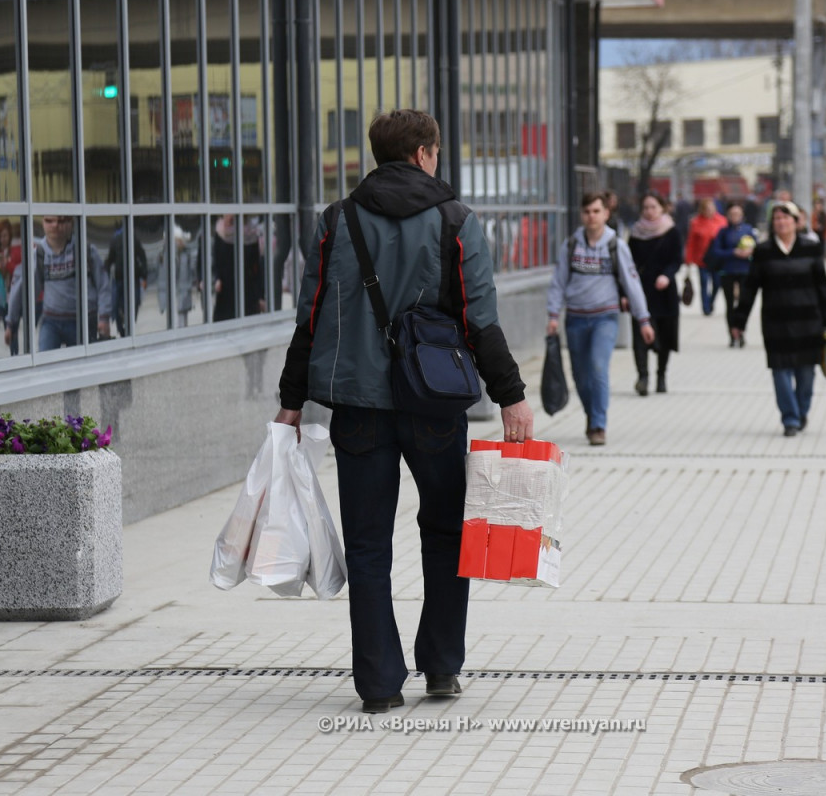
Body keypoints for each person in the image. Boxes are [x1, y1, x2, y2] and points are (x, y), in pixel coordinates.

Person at [275, 109, 532, 715]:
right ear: (423, 153)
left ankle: (379, 685)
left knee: (368, 545)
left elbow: (309, 320)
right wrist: (511, 395)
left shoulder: (335, 221)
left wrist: (290, 402)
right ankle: (441, 668)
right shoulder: (457, 221)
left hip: (359, 409)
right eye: (436, 150)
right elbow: (480, 319)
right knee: (446, 534)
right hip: (434, 406)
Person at [548, 191, 654, 446]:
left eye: (596, 211)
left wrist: (644, 319)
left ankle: (598, 424)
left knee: (597, 368)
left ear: (606, 213)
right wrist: (553, 314)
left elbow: (632, 283)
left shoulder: (616, 245)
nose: (591, 216)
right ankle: (590, 413)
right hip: (575, 318)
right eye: (587, 212)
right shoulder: (571, 245)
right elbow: (558, 282)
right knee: (580, 376)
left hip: (604, 318)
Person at [730, 202, 826, 437]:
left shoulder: (811, 248)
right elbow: (750, 288)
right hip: (775, 321)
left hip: (809, 320)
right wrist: (739, 322)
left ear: (796, 221)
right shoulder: (763, 251)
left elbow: (823, 287)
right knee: (780, 371)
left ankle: (801, 411)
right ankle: (790, 418)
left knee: (806, 373)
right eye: (777, 219)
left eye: (785, 218)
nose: (781, 222)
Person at [5, 216, 112, 351]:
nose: (55, 226)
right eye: (49, 221)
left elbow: (103, 285)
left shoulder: (86, 251)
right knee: (45, 362)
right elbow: (22, 289)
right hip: (51, 321)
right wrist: (11, 323)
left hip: (83, 320)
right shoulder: (39, 254)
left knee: (80, 367)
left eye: (61, 221)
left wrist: (104, 318)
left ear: (71, 223)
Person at [627, 190, 682, 396]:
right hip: (641, 290)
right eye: (646, 208)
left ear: (662, 208)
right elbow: (628, 264)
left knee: (665, 334)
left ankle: (661, 375)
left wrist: (667, 275)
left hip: (665, 290)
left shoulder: (671, 231)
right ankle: (643, 376)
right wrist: (625, 292)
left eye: (653, 207)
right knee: (640, 334)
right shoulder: (635, 233)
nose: (649, 212)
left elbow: (677, 259)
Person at [707, 202, 758, 347]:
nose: (735, 217)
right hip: (727, 271)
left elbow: (758, 247)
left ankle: (741, 331)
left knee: (743, 303)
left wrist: (749, 252)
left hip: (744, 271)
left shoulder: (748, 230)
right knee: (729, 304)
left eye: (738, 214)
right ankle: (731, 334)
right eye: (732, 214)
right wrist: (733, 252)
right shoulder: (723, 232)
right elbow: (716, 251)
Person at [211, 215, 265, 321]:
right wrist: (216, 278)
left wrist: (260, 296)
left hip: (247, 290)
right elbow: (215, 261)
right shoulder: (219, 232)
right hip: (225, 289)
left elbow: (257, 267)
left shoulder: (251, 234)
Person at [685, 198, 727, 315]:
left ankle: (711, 301)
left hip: (717, 258)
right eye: (707, 209)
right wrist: (688, 259)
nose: (709, 211)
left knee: (717, 283)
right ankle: (705, 307)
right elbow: (691, 242)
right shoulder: (696, 222)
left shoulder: (721, 221)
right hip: (701, 258)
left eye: (711, 208)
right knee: (704, 283)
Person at [104, 225, 148, 337]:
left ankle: (122, 328)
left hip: (121, 278)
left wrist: (106, 274)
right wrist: (144, 275)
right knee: (133, 303)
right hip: (131, 277)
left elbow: (110, 260)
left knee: (117, 304)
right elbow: (142, 257)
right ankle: (128, 327)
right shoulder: (133, 239)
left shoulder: (117, 240)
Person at [0, 220, 21, 351]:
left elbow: (18, 270)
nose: (3, 239)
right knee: (6, 326)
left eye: (5, 236)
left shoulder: (15, 250)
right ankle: (13, 353)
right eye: (0, 236)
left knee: (14, 326)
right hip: (3, 294)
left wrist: (7, 264)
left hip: (14, 293)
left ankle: (15, 354)